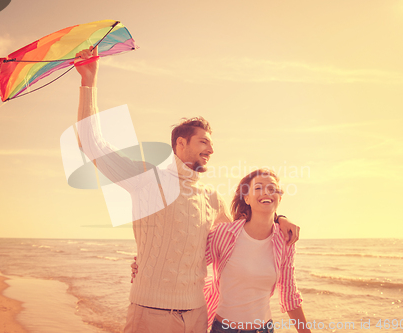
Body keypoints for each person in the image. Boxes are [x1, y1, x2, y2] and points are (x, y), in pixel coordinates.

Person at [74, 46, 300, 333]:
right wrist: (88, 82)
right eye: (203, 142)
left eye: (211, 143)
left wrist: (280, 219)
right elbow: (91, 144)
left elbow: (244, 237)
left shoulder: (210, 198)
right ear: (181, 144)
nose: (211, 149)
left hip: (196, 315)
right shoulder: (145, 178)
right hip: (150, 312)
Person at [205, 169, 311, 333]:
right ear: (246, 198)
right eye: (258, 188)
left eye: (272, 188)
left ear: (279, 198)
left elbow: (290, 295)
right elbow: (191, 264)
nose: (266, 192)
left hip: (264, 329)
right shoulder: (224, 234)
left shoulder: (285, 241)